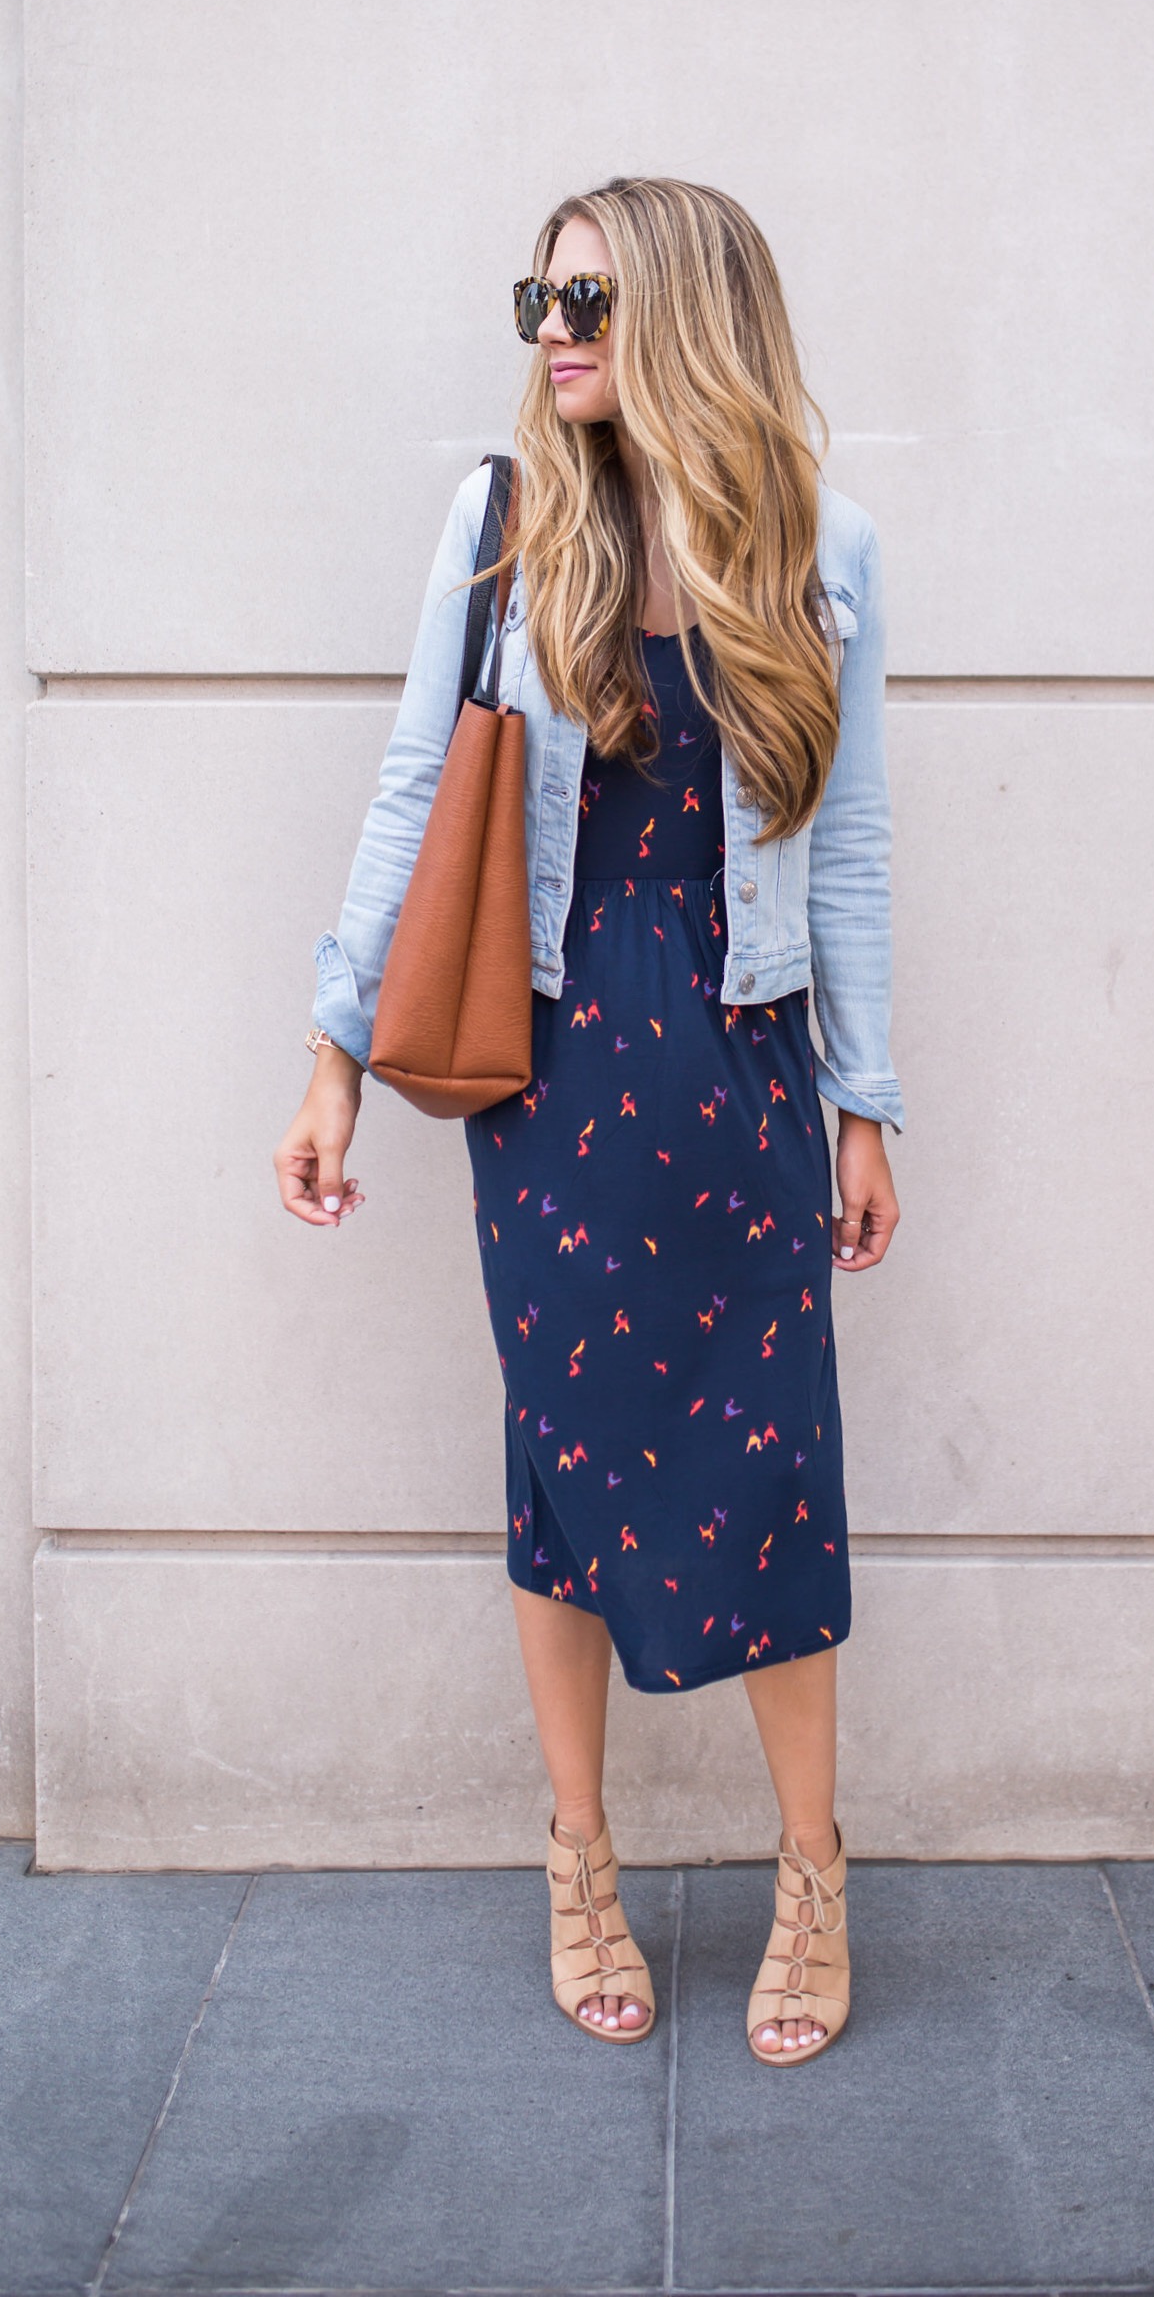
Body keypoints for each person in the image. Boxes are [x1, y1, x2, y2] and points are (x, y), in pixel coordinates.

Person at [274, 177, 901, 2067]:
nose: (551, 327)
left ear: (689, 321)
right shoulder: (499, 519)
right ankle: (580, 1858)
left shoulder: (824, 544)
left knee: (777, 1474)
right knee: (560, 1474)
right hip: (547, 1077)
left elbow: (850, 846)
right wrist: (328, 1055)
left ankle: (812, 1876)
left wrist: (866, 1106)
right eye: (537, 293)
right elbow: (412, 796)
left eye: (591, 300)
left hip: (743, 1056)